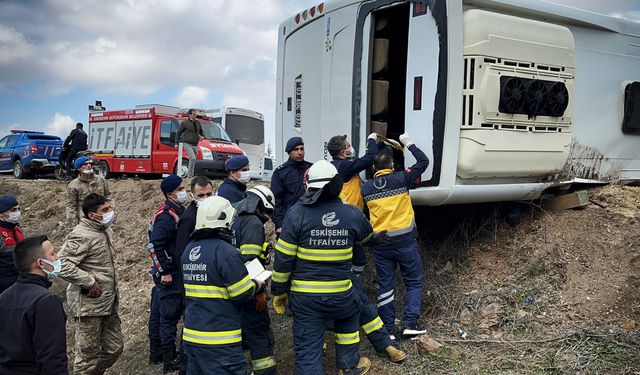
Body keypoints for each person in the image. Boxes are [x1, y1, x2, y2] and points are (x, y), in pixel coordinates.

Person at [271, 160, 372, 375]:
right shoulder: (352, 213)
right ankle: (348, 367)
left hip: (306, 300)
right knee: (348, 325)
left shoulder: (296, 214)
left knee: (308, 348)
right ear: (336, 184)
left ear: (309, 186)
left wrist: (279, 292)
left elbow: (283, 260)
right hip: (342, 295)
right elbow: (368, 238)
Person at [181, 196, 265, 374]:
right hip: (219, 340)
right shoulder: (226, 251)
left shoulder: (189, 250)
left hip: (192, 336)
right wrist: (257, 285)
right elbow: (241, 292)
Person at [361, 133, 429, 339]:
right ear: (392, 165)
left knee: (386, 286)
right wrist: (408, 143)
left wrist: (371, 142)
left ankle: (387, 330)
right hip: (406, 242)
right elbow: (424, 161)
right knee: (414, 282)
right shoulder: (401, 179)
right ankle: (410, 324)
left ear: (373, 168)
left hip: (381, 245)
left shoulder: (366, 188)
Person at [59, 193, 123, 375]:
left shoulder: (103, 230)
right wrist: (88, 281)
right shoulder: (81, 235)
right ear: (92, 215)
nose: (111, 212)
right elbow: (61, 264)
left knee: (114, 348)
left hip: (108, 303)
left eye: (109, 207)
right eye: (105, 210)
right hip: (88, 306)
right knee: (87, 357)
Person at [0, 235, 68, 375]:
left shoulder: (3, 297)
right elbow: (53, 358)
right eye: (53, 254)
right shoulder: (46, 301)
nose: (57, 258)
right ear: (41, 263)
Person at [231, 185, 277, 375]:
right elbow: (250, 260)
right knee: (259, 333)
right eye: (266, 212)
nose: (266, 217)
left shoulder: (233, 220)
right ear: (261, 204)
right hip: (250, 288)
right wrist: (259, 292)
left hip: (234, 287)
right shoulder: (252, 222)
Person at [147, 174, 187, 373]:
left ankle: (166, 355)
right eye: (181, 189)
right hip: (169, 275)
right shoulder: (166, 215)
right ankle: (169, 359)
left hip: (175, 272)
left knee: (166, 316)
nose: (184, 192)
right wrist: (165, 271)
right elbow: (155, 245)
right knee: (168, 319)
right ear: (170, 193)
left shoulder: (176, 210)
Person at [326, 133, 379, 210]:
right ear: (342, 152)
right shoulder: (344, 167)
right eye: (348, 146)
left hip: (350, 211)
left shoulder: (336, 164)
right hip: (350, 213)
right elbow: (371, 158)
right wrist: (371, 139)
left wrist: (382, 144)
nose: (351, 148)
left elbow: (365, 159)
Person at [270, 137, 312, 234]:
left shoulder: (311, 168)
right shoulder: (280, 172)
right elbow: (276, 200)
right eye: (296, 149)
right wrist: (279, 224)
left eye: (302, 149)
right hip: (289, 221)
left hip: (309, 219)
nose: (300, 152)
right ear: (289, 152)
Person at [176, 176, 215, 259]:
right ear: (192, 196)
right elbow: (181, 250)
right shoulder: (189, 218)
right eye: (201, 195)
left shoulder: (214, 211)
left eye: (209, 194)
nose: (206, 198)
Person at [66, 156, 111, 227]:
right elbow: (71, 206)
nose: (89, 166)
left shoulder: (100, 180)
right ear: (78, 168)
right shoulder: (73, 185)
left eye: (90, 163)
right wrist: (73, 224)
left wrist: (111, 213)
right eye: (85, 164)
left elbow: (108, 196)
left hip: (101, 219)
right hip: (85, 221)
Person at [0, 195, 24, 293]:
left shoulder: (17, 229)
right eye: (13, 210)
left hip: (20, 282)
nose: (17, 213)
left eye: (18, 209)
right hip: (4, 286)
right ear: (1, 214)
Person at [176, 109, 205, 178]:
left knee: (194, 160)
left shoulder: (198, 123)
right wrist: (176, 143)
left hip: (195, 144)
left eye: (196, 115)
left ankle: (191, 175)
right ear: (189, 115)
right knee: (193, 158)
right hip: (187, 143)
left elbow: (201, 131)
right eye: (194, 114)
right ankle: (190, 176)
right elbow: (178, 133)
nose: (195, 116)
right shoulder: (184, 123)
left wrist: (203, 136)